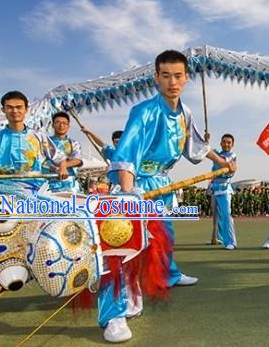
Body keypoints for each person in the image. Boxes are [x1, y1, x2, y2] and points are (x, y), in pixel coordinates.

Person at [101, 50, 236, 343]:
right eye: (166, 76)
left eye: (178, 75)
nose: (172, 82)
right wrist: (127, 196)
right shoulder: (144, 111)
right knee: (123, 251)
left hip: (162, 185)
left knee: (165, 236)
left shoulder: (185, 113)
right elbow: (126, 156)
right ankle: (114, 314)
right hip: (135, 186)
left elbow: (197, 146)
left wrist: (223, 163)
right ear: (156, 78)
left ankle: (168, 276)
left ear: (185, 78)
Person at [207, 134, 238, 250]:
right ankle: (218, 237)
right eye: (224, 142)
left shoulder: (232, 155)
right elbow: (206, 150)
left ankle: (230, 241)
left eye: (229, 142)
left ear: (232, 145)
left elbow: (226, 163)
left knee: (226, 214)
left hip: (225, 189)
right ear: (220, 143)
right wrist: (206, 140)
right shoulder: (217, 154)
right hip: (214, 188)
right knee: (216, 216)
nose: (226, 144)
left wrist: (214, 156)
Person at [43, 111, 83, 192]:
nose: (61, 125)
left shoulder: (74, 143)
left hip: (70, 184)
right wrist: (54, 169)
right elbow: (41, 161)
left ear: (68, 126)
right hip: (49, 184)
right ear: (52, 125)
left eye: (64, 123)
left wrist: (62, 167)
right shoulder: (45, 142)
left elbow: (77, 160)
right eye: (58, 122)